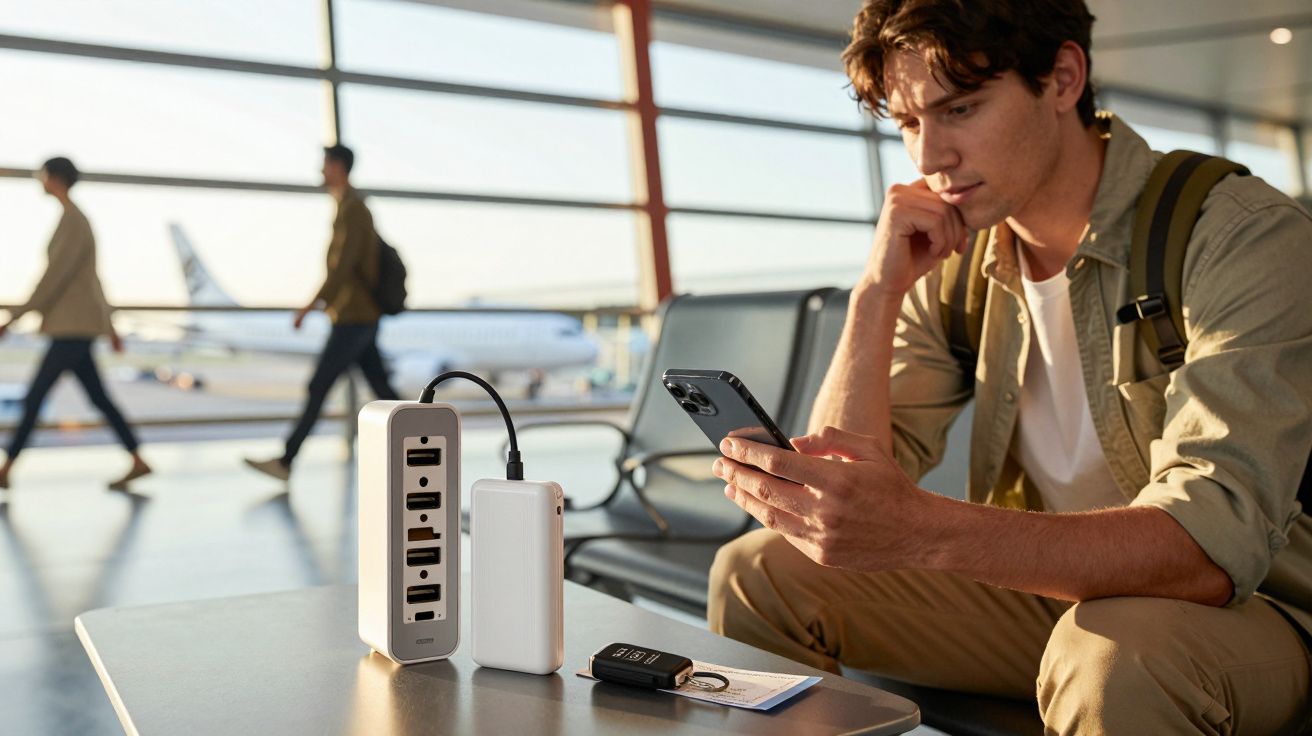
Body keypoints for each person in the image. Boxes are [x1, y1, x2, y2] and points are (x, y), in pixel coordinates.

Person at [706, 1, 1312, 732]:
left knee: (1116, 655)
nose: (929, 158)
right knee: (759, 573)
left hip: (1254, 609)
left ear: (1062, 78)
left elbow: (1208, 549)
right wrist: (876, 292)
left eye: (959, 108)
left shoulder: (1237, 235)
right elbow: (842, 481)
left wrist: (922, 529)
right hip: (1057, 595)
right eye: (908, 123)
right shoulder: (961, 262)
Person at [245, 144, 398, 481]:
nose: (321, 171)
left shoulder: (353, 208)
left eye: (325, 164)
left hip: (354, 317)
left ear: (338, 167)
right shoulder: (348, 205)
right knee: (382, 389)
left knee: (319, 386)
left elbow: (342, 267)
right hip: (356, 316)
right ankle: (426, 440)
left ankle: (286, 461)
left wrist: (311, 304)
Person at [0, 157, 152, 491]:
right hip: (78, 327)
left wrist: (13, 317)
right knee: (98, 398)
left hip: (72, 329)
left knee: (35, 397)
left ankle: (6, 468)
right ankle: (138, 459)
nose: (39, 180)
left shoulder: (73, 221)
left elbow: (54, 278)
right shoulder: (76, 219)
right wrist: (109, 325)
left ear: (55, 178)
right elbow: (93, 280)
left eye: (42, 174)